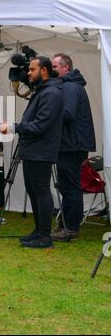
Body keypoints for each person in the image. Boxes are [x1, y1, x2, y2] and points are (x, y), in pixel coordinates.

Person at [0, 56, 63, 249]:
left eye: (32, 70)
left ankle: (45, 236)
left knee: (41, 191)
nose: (28, 73)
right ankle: (38, 231)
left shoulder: (51, 93)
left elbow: (41, 125)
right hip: (33, 149)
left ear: (44, 71)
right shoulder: (43, 91)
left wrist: (14, 127)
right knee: (34, 191)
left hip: (41, 151)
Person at [51, 53, 96, 241]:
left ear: (65, 68)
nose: (51, 70)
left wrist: (47, 116)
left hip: (72, 145)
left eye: (54, 66)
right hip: (72, 144)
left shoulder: (70, 86)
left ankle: (70, 228)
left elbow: (67, 114)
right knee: (67, 185)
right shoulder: (70, 85)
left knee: (70, 186)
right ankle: (66, 225)